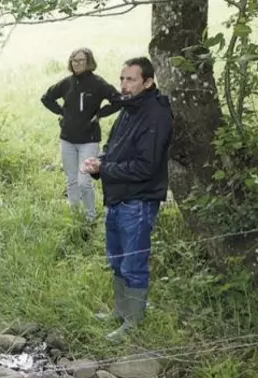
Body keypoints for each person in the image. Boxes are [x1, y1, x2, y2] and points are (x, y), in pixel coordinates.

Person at [80, 56, 173, 340]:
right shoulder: (129, 109)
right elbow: (116, 150)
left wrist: (105, 167)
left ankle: (133, 322)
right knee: (117, 259)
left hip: (139, 200)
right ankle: (120, 312)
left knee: (133, 263)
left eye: (131, 79)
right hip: (118, 197)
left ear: (148, 82)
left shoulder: (155, 114)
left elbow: (147, 166)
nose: (124, 84)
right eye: (122, 78)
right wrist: (100, 163)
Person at [41, 47, 121, 222]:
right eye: (74, 60)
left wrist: (100, 114)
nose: (77, 64)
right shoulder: (66, 83)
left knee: (84, 181)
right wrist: (62, 112)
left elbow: (118, 100)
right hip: (67, 139)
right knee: (72, 181)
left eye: (81, 60)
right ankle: (75, 217)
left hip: (88, 140)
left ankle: (90, 217)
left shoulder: (98, 83)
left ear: (88, 62)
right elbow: (46, 98)